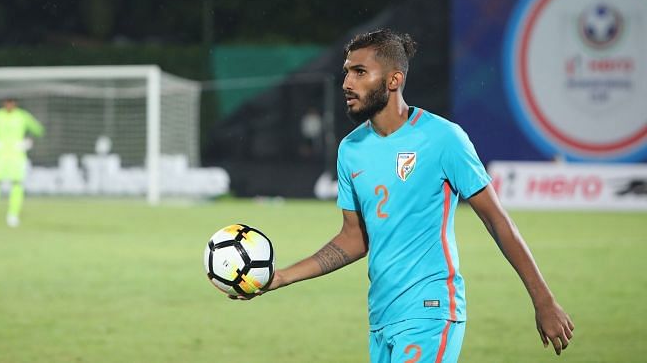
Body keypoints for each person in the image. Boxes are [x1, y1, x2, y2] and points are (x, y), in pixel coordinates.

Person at [238, 29, 574, 362]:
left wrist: (543, 300)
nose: (347, 84)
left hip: (430, 311)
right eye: (346, 72)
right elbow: (354, 237)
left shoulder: (444, 139)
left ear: (393, 80)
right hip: (382, 316)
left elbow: (498, 222)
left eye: (359, 72)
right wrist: (282, 277)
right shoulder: (351, 150)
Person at [0, 98, 44, 228]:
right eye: (7, 102)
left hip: (17, 156)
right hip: (0, 155)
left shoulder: (23, 116)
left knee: (17, 184)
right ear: (3, 103)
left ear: (15, 103)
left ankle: (13, 216)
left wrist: (28, 140)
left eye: (11, 102)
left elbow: (39, 130)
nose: (9, 104)